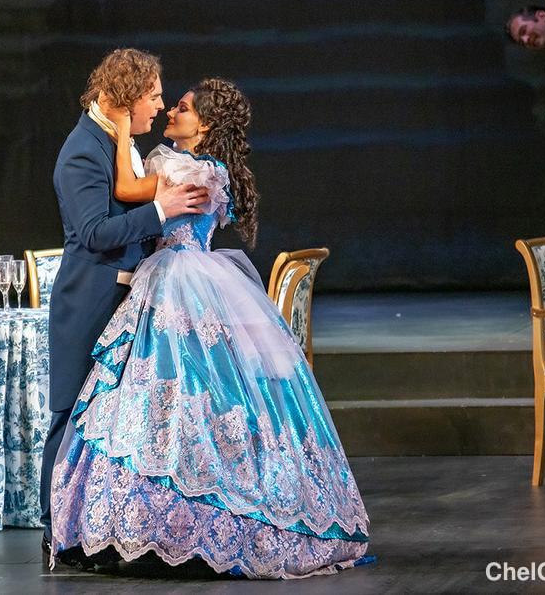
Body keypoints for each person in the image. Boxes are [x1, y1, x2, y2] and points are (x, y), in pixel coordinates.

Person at [49, 78, 370, 579]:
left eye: (181, 107)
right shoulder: (198, 166)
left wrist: (119, 131)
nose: (169, 111)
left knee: (182, 390)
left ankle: (192, 513)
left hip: (178, 280)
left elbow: (126, 190)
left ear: (205, 126)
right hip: (182, 278)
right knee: (181, 392)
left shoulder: (186, 169)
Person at [42, 49, 211, 567]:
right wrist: (162, 211)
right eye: (153, 95)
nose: (160, 106)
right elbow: (94, 233)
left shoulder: (119, 142)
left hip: (127, 302)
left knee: (109, 422)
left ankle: (96, 531)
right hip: (90, 303)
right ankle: (56, 533)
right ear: (126, 96)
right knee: (72, 416)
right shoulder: (82, 150)